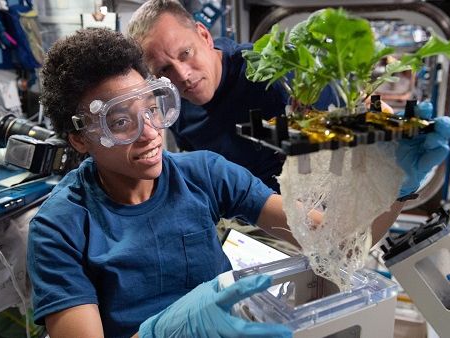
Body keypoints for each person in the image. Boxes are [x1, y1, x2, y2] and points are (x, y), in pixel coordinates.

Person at [28, 27, 407, 338]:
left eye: (152, 109)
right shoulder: (59, 227)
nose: (150, 134)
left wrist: (398, 187)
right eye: (121, 122)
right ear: (79, 139)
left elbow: (335, 245)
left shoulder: (204, 174)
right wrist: (165, 332)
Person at [127, 0, 341, 193]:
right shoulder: (173, 107)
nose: (183, 75)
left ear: (204, 35)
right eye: (165, 69)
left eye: (185, 53)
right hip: (237, 220)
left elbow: (339, 155)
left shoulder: (272, 73)